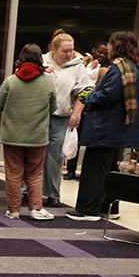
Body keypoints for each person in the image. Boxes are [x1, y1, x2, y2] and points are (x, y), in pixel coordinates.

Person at [67, 32, 139, 222]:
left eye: (110, 44)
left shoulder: (119, 68)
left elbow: (107, 95)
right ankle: (108, 208)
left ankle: (88, 210)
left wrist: (89, 97)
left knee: (95, 170)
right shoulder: (133, 68)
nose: (108, 48)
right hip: (118, 128)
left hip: (105, 129)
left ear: (118, 46)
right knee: (109, 170)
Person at [0, 44, 57, 220]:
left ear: (21, 58)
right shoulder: (47, 82)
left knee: (13, 174)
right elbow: (53, 107)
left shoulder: (11, 81)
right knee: (35, 173)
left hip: (12, 135)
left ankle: (14, 210)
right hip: (37, 136)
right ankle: (36, 208)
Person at [40, 30, 92, 207]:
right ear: (54, 49)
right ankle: (27, 191)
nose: (69, 54)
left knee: (55, 157)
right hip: (38, 117)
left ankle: (52, 193)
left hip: (61, 117)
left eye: (71, 50)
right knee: (33, 156)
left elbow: (84, 91)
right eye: (65, 51)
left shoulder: (78, 66)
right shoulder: (41, 61)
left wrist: (76, 113)